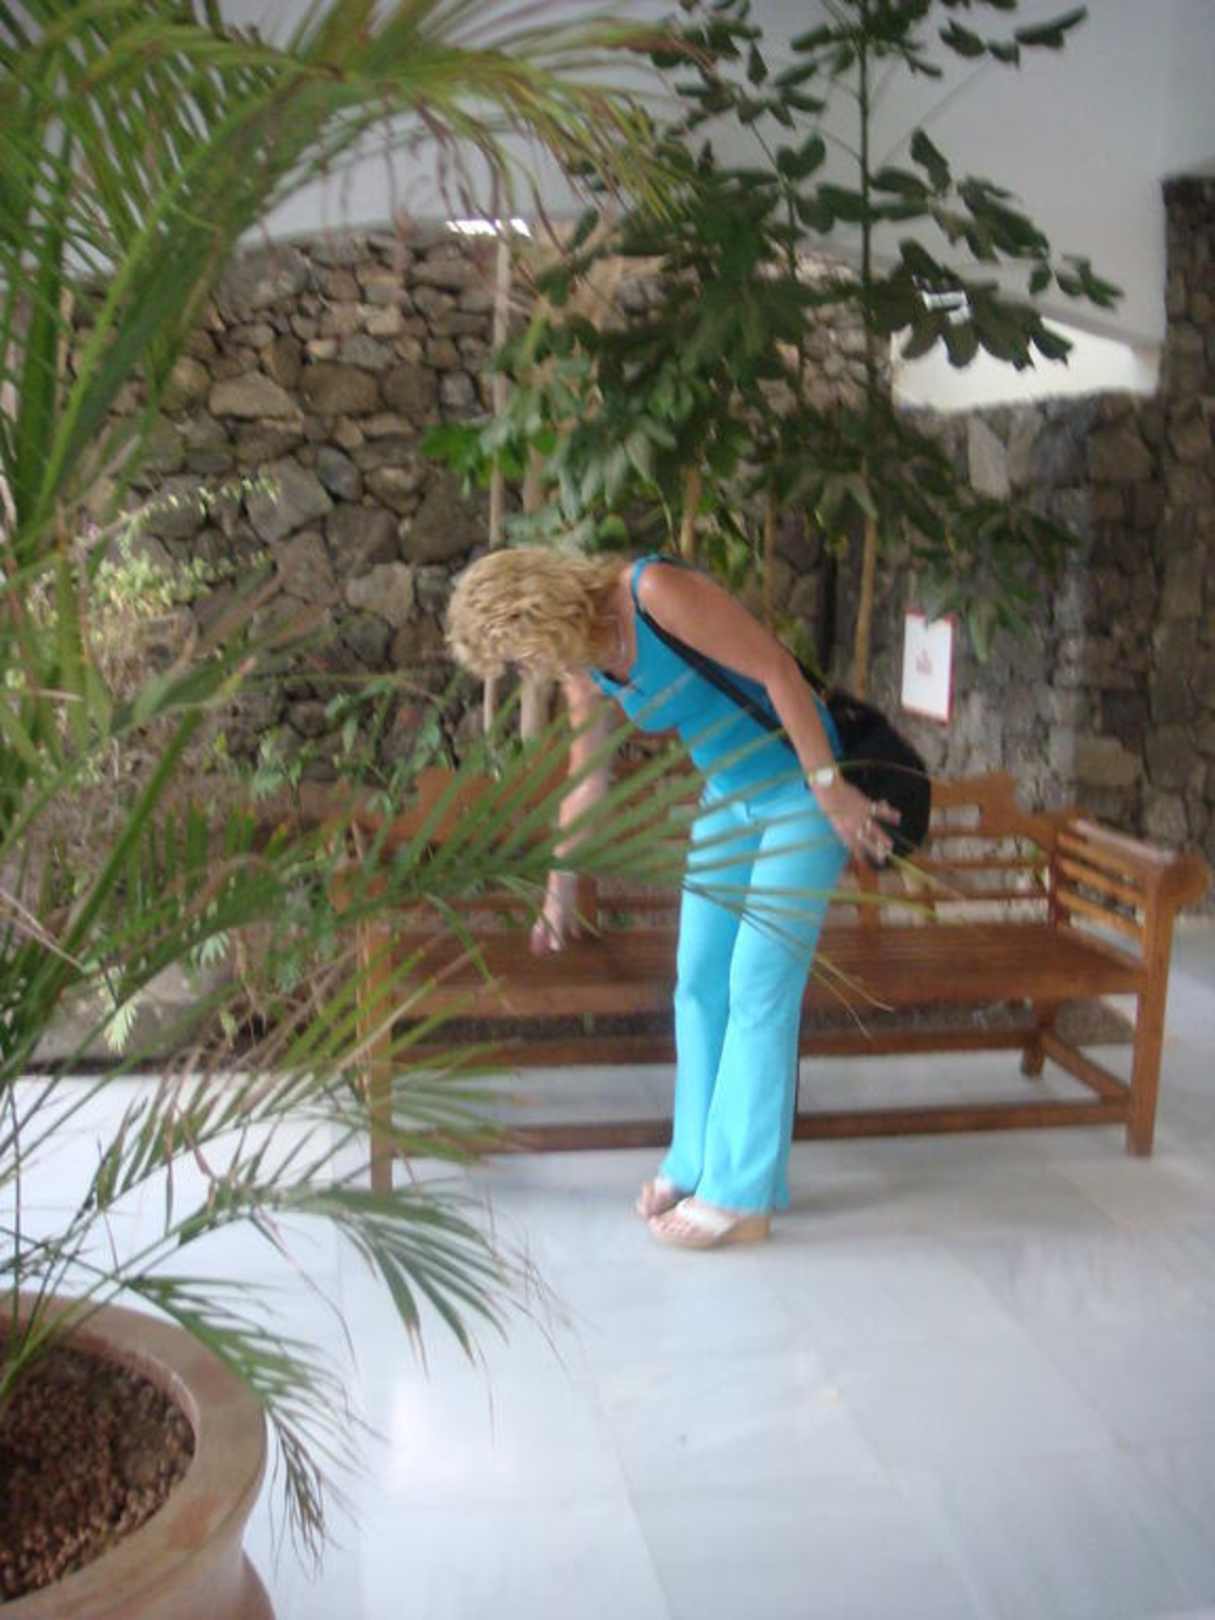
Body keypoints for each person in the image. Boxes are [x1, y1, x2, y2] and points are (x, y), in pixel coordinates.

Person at [445, 546, 898, 1249]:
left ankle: (742, 1196)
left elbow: (777, 671)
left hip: (800, 794)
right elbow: (587, 781)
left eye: (517, 653)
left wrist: (829, 788)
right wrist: (558, 891)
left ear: (536, 610)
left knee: (757, 983)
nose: (524, 670)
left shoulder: (651, 592)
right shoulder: (584, 665)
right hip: (728, 798)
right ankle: (694, 1159)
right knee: (697, 981)